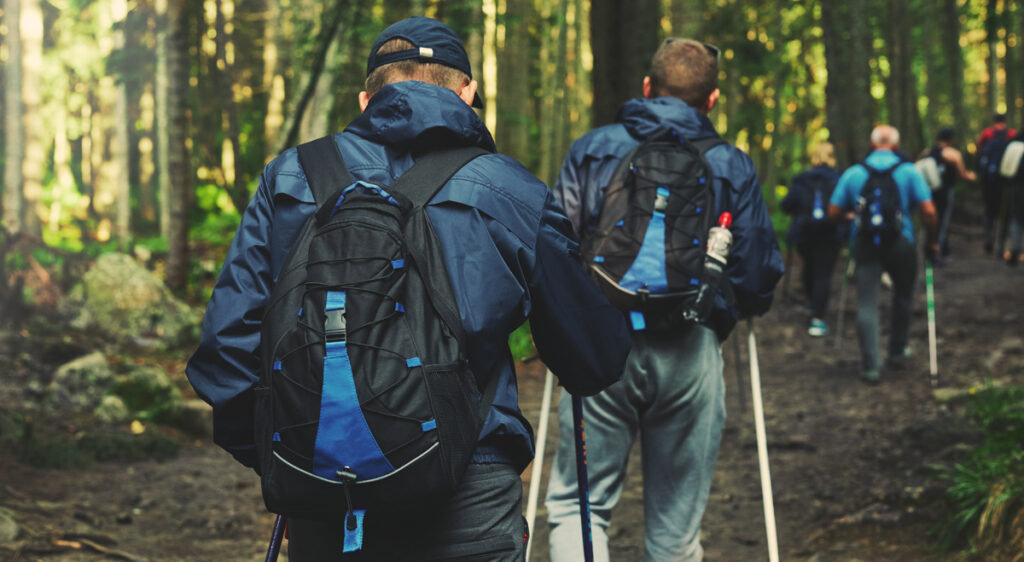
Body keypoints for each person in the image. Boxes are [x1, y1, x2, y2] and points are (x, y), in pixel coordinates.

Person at [185, 16, 632, 561]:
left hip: (323, 499)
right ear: (468, 93)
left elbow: (225, 348)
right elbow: (593, 358)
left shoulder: (289, 178)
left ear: (366, 97)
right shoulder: (510, 190)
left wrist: (293, 458)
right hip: (468, 493)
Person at [544, 38, 783, 562]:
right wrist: (731, 311)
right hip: (690, 347)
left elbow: (553, 244)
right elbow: (759, 269)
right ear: (712, 100)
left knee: (577, 508)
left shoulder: (593, 148)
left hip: (601, 345)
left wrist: (562, 326)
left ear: (647, 88)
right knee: (675, 532)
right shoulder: (730, 164)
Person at [828, 125, 938, 385]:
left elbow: (833, 213)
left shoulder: (854, 173)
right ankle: (897, 351)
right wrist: (931, 243)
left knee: (867, 302)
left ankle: (871, 366)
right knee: (903, 294)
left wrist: (850, 216)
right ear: (896, 146)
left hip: (865, 243)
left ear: (871, 144)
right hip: (902, 242)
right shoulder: (909, 171)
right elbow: (930, 212)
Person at [781, 141, 843, 336]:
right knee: (823, 274)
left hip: (804, 233)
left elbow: (787, 205)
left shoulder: (802, 180)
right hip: (830, 233)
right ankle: (818, 318)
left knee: (809, 268)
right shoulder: (839, 179)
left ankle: (811, 304)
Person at [918, 128, 976, 262]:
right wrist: (973, 177)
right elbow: (962, 175)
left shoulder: (926, 153)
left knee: (930, 222)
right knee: (942, 222)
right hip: (944, 192)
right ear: (950, 139)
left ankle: (934, 250)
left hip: (928, 193)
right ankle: (937, 255)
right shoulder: (953, 154)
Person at [977, 113, 1017, 255]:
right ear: (1005, 122)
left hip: (989, 180)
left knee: (989, 211)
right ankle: (1001, 246)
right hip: (1006, 181)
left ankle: (989, 239)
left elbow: (979, 151)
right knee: (1005, 213)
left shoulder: (987, 133)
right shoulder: (1012, 134)